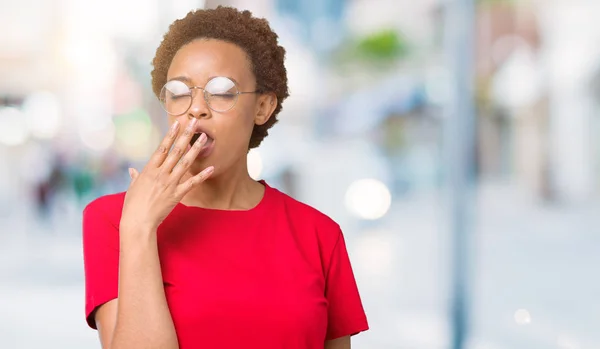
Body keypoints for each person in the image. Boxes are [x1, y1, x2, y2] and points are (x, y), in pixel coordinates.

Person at [82, 6, 368, 349]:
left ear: (262, 107)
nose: (196, 108)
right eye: (179, 91)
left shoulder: (320, 236)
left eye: (220, 91)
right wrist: (139, 229)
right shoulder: (114, 220)